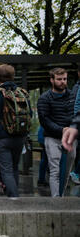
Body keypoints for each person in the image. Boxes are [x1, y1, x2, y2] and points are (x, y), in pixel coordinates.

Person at [0, 64, 32, 198]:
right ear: (13, 76)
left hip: (3, 138)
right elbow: (30, 114)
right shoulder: (23, 93)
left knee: (6, 170)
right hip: (20, 137)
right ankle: (13, 195)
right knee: (15, 167)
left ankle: (13, 198)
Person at [38, 67, 76, 197]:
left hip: (70, 138)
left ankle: (62, 196)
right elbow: (45, 120)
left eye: (64, 79)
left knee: (66, 172)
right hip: (52, 138)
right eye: (59, 79)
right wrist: (62, 129)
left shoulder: (72, 96)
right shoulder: (44, 98)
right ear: (52, 80)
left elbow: (76, 115)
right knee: (55, 170)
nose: (62, 82)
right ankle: (56, 200)